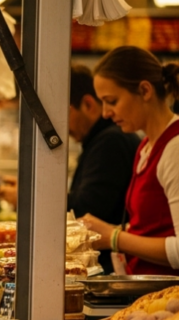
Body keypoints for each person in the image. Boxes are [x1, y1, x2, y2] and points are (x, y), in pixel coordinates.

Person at [0, 65, 140, 271]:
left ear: (88, 104)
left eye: (64, 115)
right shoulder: (101, 140)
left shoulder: (111, 142)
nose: (60, 127)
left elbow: (84, 211)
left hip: (106, 267)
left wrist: (28, 197)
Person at [80, 46, 179, 275]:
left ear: (145, 90)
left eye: (112, 101)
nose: (105, 113)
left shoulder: (174, 149)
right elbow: (151, 228)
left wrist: (114, 237)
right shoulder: (145, 147)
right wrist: (101, 231)